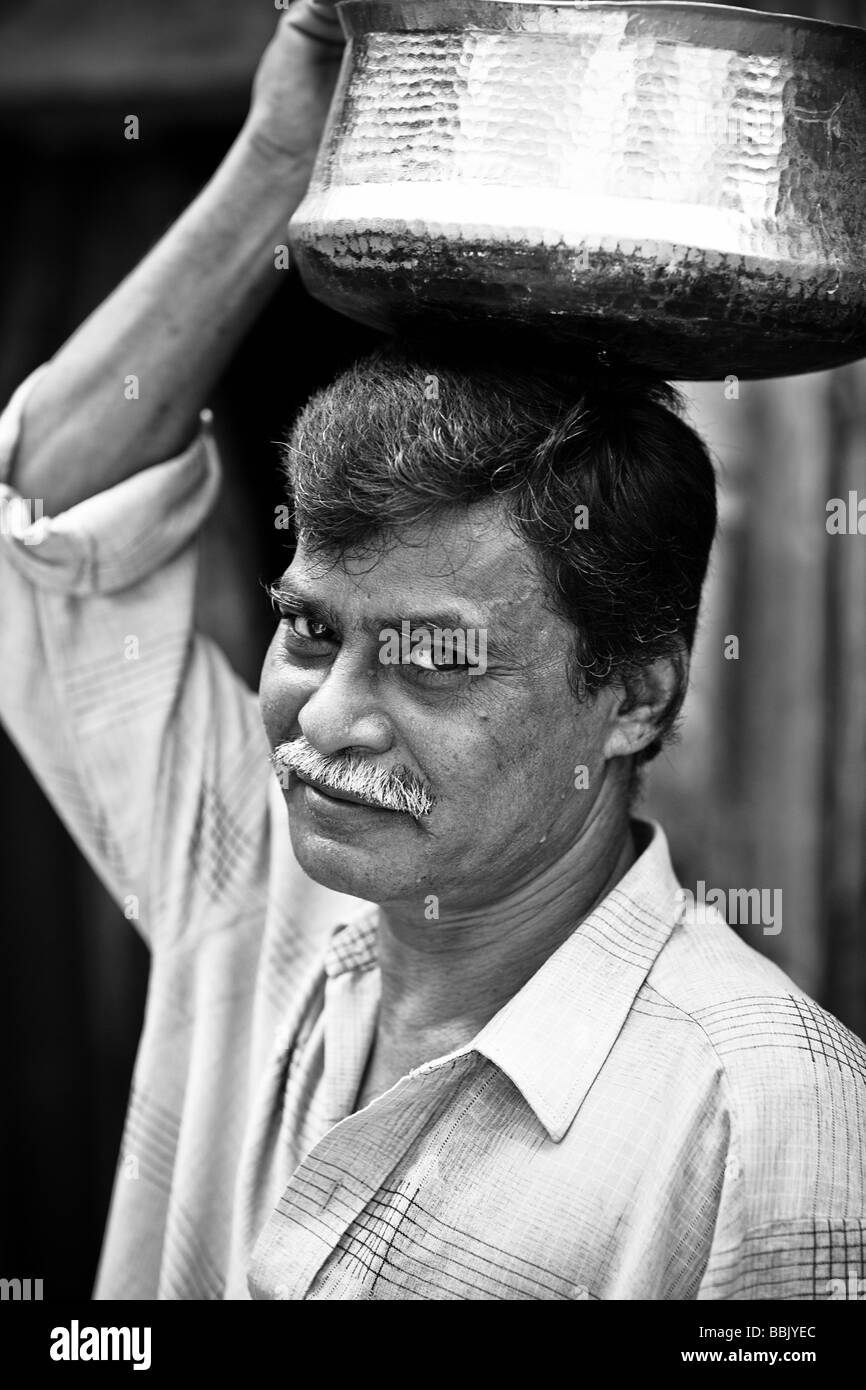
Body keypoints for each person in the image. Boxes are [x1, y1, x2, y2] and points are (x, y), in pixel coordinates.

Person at [1, 1, 864, 1301]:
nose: (324, 721)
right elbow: (52, 518)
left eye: (433, 658)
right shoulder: (258, 882)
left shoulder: (773, 1127)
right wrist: (287, 156)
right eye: (310, 628)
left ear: (633, 694)